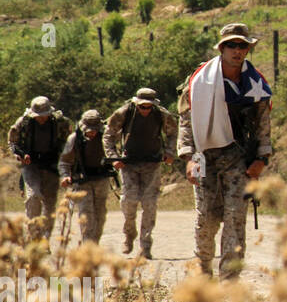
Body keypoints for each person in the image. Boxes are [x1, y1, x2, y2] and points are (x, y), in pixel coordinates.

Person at [177, 23, 272, 280]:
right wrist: (188, 157)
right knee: (206, 218)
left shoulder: (256, 83)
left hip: (238, 157)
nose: (237, 50)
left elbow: (263, 123)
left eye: (243, 46)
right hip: (204, 156)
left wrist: (261, 159)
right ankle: (203, 272)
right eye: (232, 45)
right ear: (222, 48)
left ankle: (230, 280)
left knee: (234, 218)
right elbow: (187, 120)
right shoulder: (200, 81)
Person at [105, 87, 178, 258]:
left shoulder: (161, 114)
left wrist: (169, 152)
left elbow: (173, 133)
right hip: (129, 163)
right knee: (128, 201)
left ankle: (145, 246)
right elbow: (108, 134)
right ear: (136, 104)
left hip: (152, 163)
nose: (145, 110)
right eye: (142, 107)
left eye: (148, 107)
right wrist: (113, 157)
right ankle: (129, 234)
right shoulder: (124, 112)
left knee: (149, 203)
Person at [8, 96, 70, 238]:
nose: (41, 118)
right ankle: (34, 236)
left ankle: (45, 238)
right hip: (31, 165)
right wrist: (19, 155)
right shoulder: (23, 122)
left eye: (44, 115)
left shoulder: (60, 122)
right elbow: (12, 142)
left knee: (49, 203)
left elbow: (67, 142)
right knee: (33, 197)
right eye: (38, 116)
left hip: (51, 164)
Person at [57, 109, 115, 244]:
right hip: (82, 181)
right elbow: (64, 161)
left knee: (100, 215)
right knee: (86, 214)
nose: (92, 133)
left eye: (95, 129)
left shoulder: (106, 137)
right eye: (89, 130)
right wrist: (65, 176)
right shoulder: (75, 139)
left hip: (101, 179)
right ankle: (88, 246)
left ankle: (94, 244)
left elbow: (115, 150)